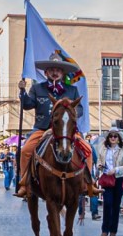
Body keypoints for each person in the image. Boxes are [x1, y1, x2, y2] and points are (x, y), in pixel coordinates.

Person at [14, 52, 97, 198]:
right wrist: (22, 92)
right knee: (26, 150)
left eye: (58, 70)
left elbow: (80, 109)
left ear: (62, 73)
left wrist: (70, 114)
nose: (54, 72)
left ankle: (87, 184)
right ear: (46, 72)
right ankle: (25, 183)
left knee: (88, 149)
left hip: (67, 130)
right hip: (42, 129)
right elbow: (27, 105)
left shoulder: (72, 90)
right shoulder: (37, 88)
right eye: (51, 70)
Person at [95, 128, 123, 236]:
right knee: (107, 203)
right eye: (111, 136)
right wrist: (99, 166)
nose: (113, 138)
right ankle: (105, 229)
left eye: (115, 136)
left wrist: (116, 169)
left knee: (115, 205)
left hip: (118, 179)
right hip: (106, 179)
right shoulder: (103, 149)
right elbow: (99, 161)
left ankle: (113, 229)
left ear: (119, 139)